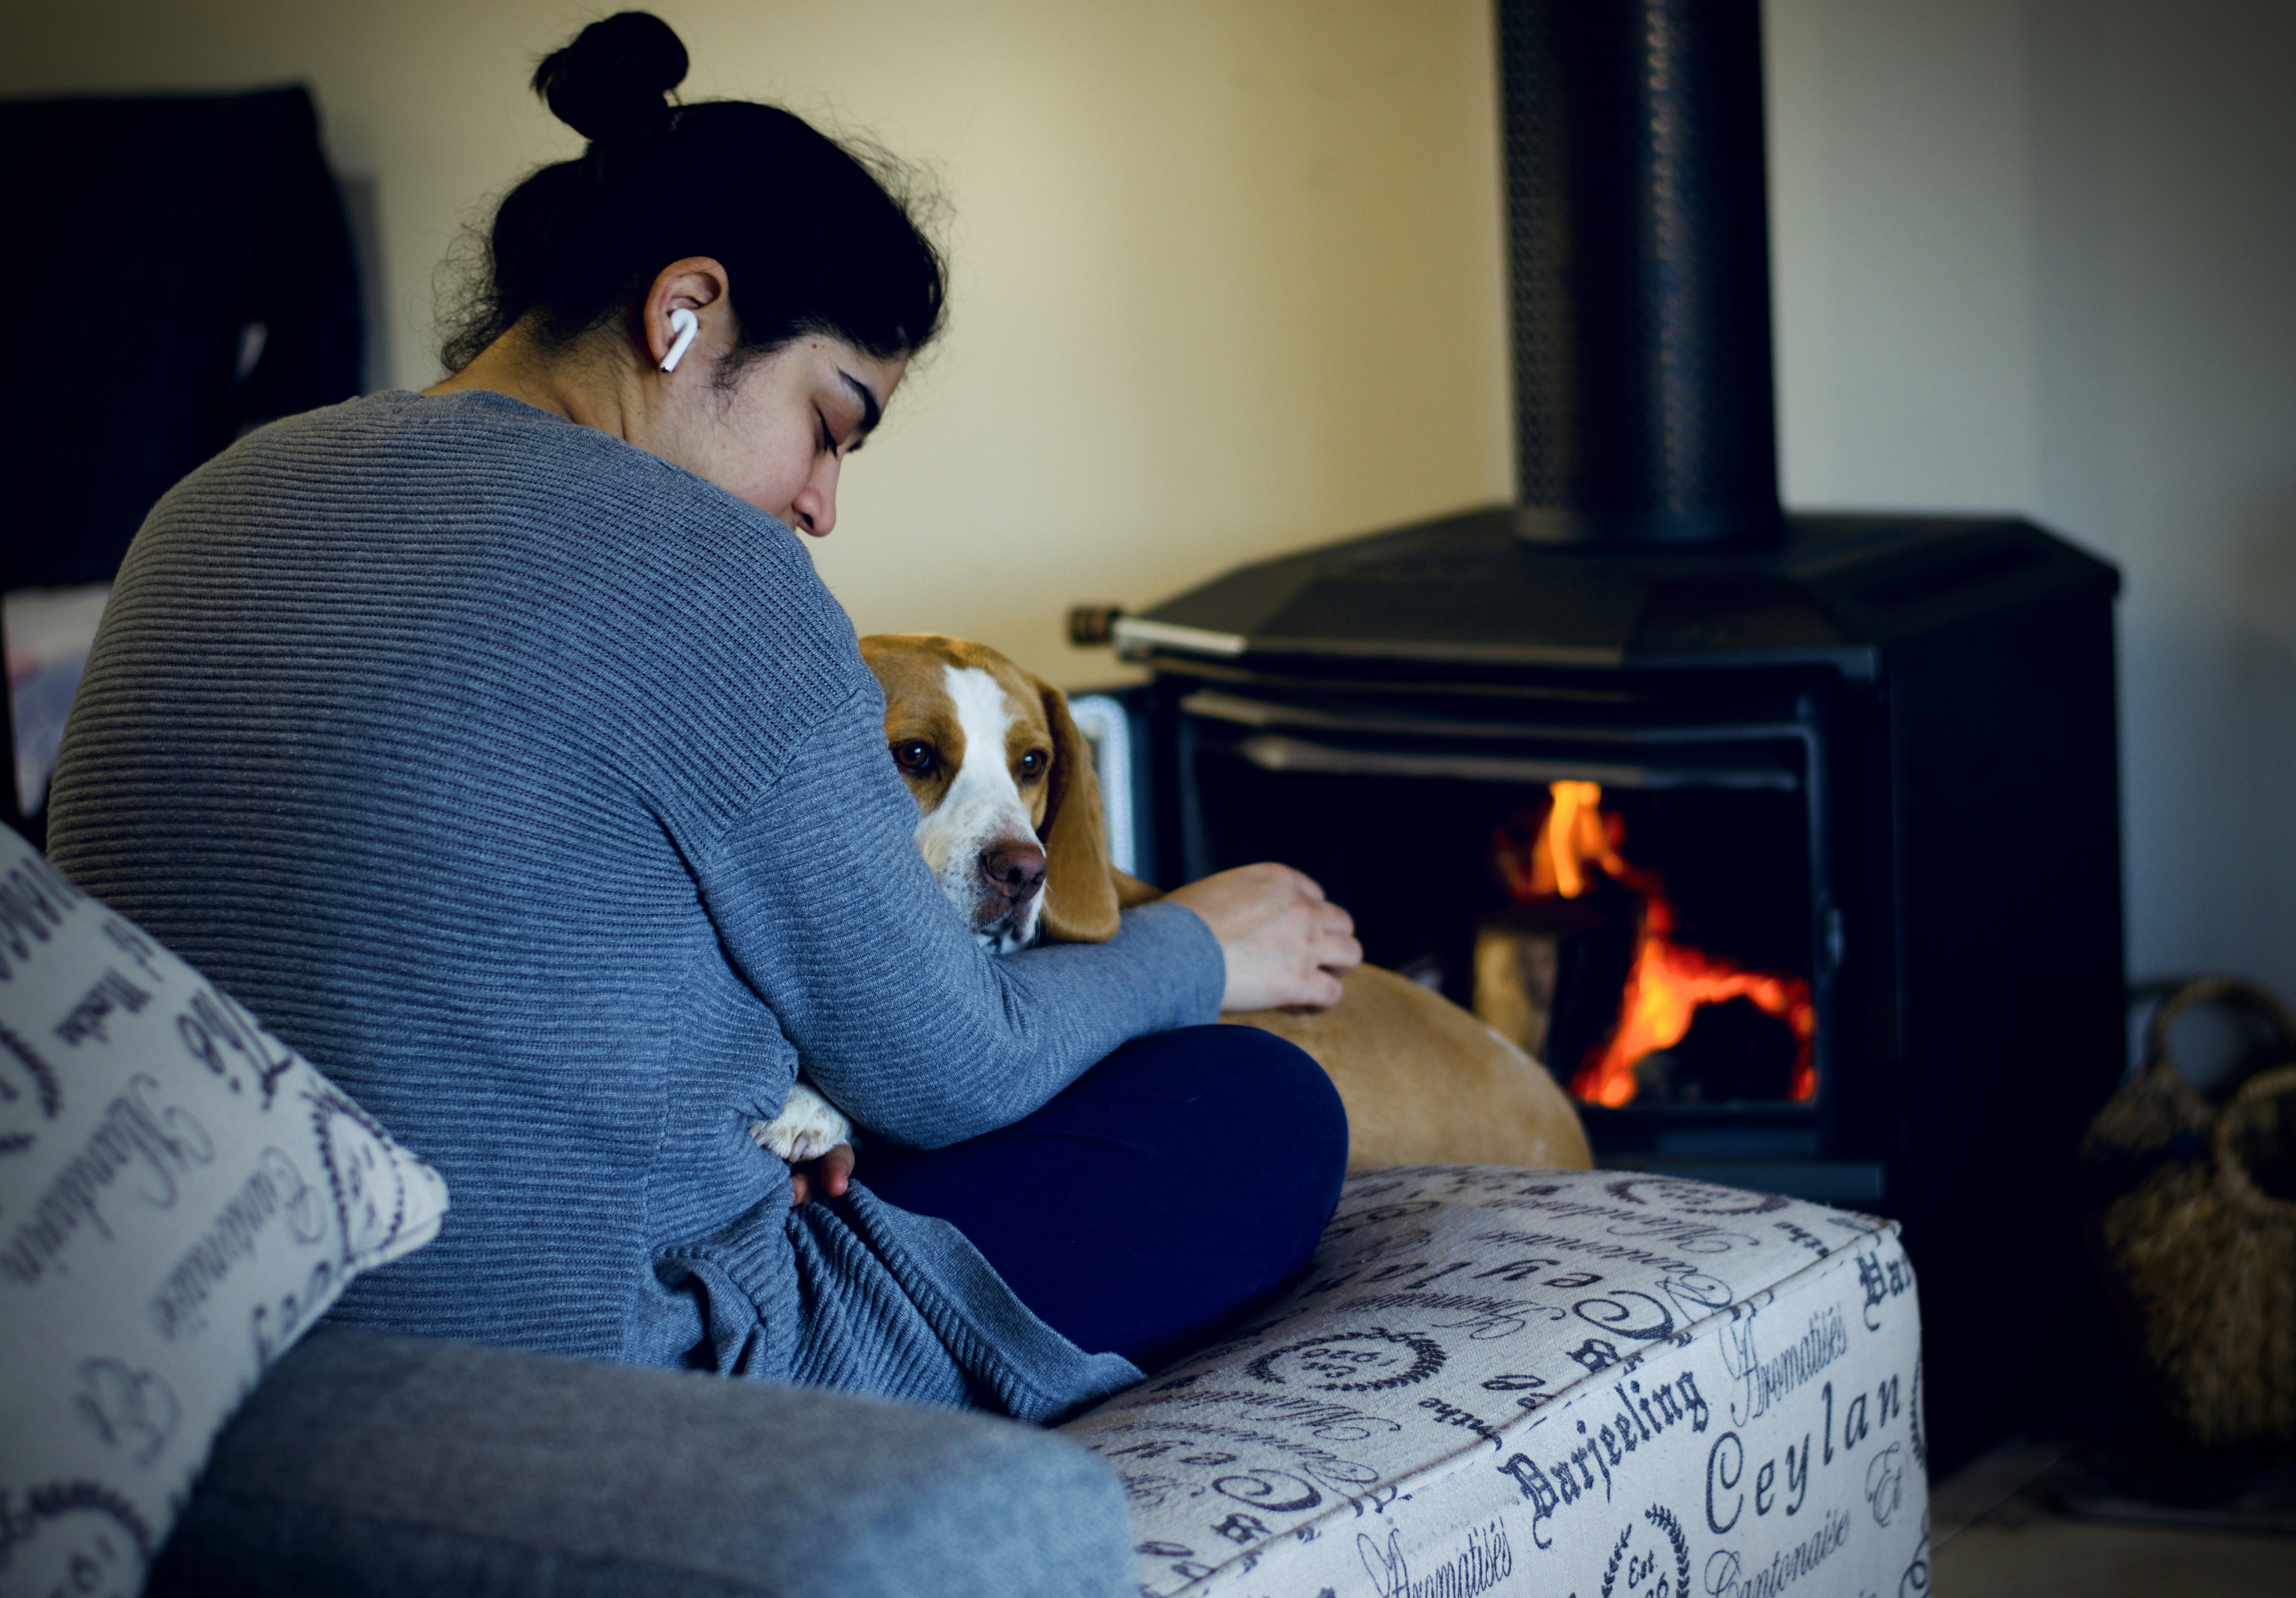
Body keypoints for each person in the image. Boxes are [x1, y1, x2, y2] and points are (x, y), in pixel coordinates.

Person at [45, 12, 1358, 1421]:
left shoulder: (212, 503)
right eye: (829, 420)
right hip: (603, 1377)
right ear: (684, 311)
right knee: (1253, 1118)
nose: (822, 505)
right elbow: (962, 1070)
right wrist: (1192, 949)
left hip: (206, 1340)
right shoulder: (718, 573)